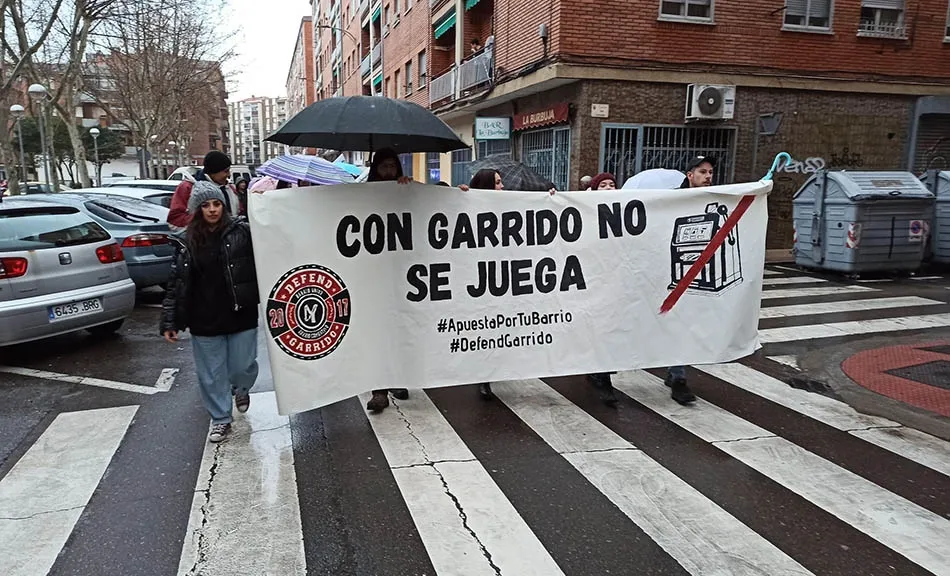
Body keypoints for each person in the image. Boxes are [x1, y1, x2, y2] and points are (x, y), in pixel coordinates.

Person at [160, 181, 260, 442]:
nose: (213, 210)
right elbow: (176, 282)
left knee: (242, 366)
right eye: (206, 205)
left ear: (223, 206)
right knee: (212, 374)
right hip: (203, 317)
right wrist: (170, 320)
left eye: (216, 204)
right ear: (197, 209)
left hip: (240, 312)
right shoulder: (186, 241)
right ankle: (220, 419)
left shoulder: (243, 232)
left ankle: (241, 388)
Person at [665, 156, 715, 405]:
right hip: (672, 271)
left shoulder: (717, 199)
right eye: (702, 172)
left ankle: (676, 374)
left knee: (682, 325)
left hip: (699, 274)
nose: (707, 176)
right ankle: (676, 374)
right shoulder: (673, 200)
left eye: (710, 172)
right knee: (672, 324)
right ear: (690, 175)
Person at [365, 148, 411, 413]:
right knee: (377, 331)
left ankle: (398, 378)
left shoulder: (405, 189)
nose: (388, 172)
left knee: (400, 328)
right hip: (371, 276)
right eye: (383, 167)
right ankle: (379, 390)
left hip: (402, 274)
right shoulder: (360, 195)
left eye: (392, 166)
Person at [168, 151, 240, 229]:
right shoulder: (188, 188)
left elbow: (239, 213)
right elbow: (174, 220)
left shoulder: (231, 188)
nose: (229, 175)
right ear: (213, 172)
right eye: (226, 171)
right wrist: (203, 226)